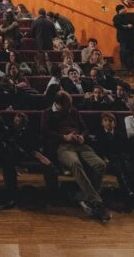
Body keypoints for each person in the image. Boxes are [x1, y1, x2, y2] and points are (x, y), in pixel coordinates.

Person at [43, 90, 110, 222]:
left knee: (100, 164)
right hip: (63, 146)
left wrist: (82, 137)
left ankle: (83, 196)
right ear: (58, 104)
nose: (70, 108)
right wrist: (63, 137)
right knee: (75, 164)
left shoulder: (73, 110)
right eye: (67, 106)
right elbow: (45, 132)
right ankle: (97, 202)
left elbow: (85, 129)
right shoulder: (47, 113)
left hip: (80, 144)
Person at [112, 4, 134, 74]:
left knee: (131, 52)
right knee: (124, 52)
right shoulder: (116, 17)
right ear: (119, 10)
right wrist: (126, 26)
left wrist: (131, 25)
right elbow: (117, 25)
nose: (125, 10)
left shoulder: (128, 16)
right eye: (123, 9)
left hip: (130, 37)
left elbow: (133, 23)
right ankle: (125, 67)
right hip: (123, 38)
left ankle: (131, 68)